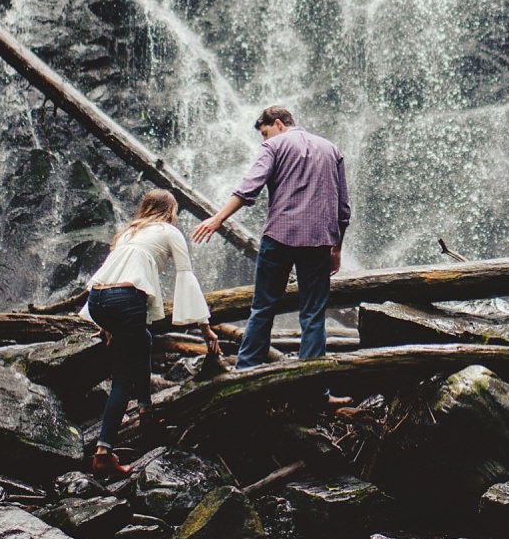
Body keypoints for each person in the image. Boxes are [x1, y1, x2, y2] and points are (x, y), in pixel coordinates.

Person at [192, 106, 351, 370]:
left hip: (280, 237)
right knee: (313, 314)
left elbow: (248, 188)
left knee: (263, 309)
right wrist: (337, 248)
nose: (264, 140)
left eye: (265, 133)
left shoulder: (274, 146)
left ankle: (245, 373)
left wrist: (218, 219)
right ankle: (312, 384)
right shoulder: (331, 149)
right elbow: (343, 208)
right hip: (319, 241)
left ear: (277, 124)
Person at [82, 188, 220, 475]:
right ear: (171, 212)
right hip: (125, 301)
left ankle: (145, 410)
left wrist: (104, 324)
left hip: (98, 300)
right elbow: (186, 276)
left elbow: (109, 275)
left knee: (142, 339)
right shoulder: (169, 231)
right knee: (122, 378)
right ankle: (103, 453)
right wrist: (206, 329)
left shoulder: (128, 231)